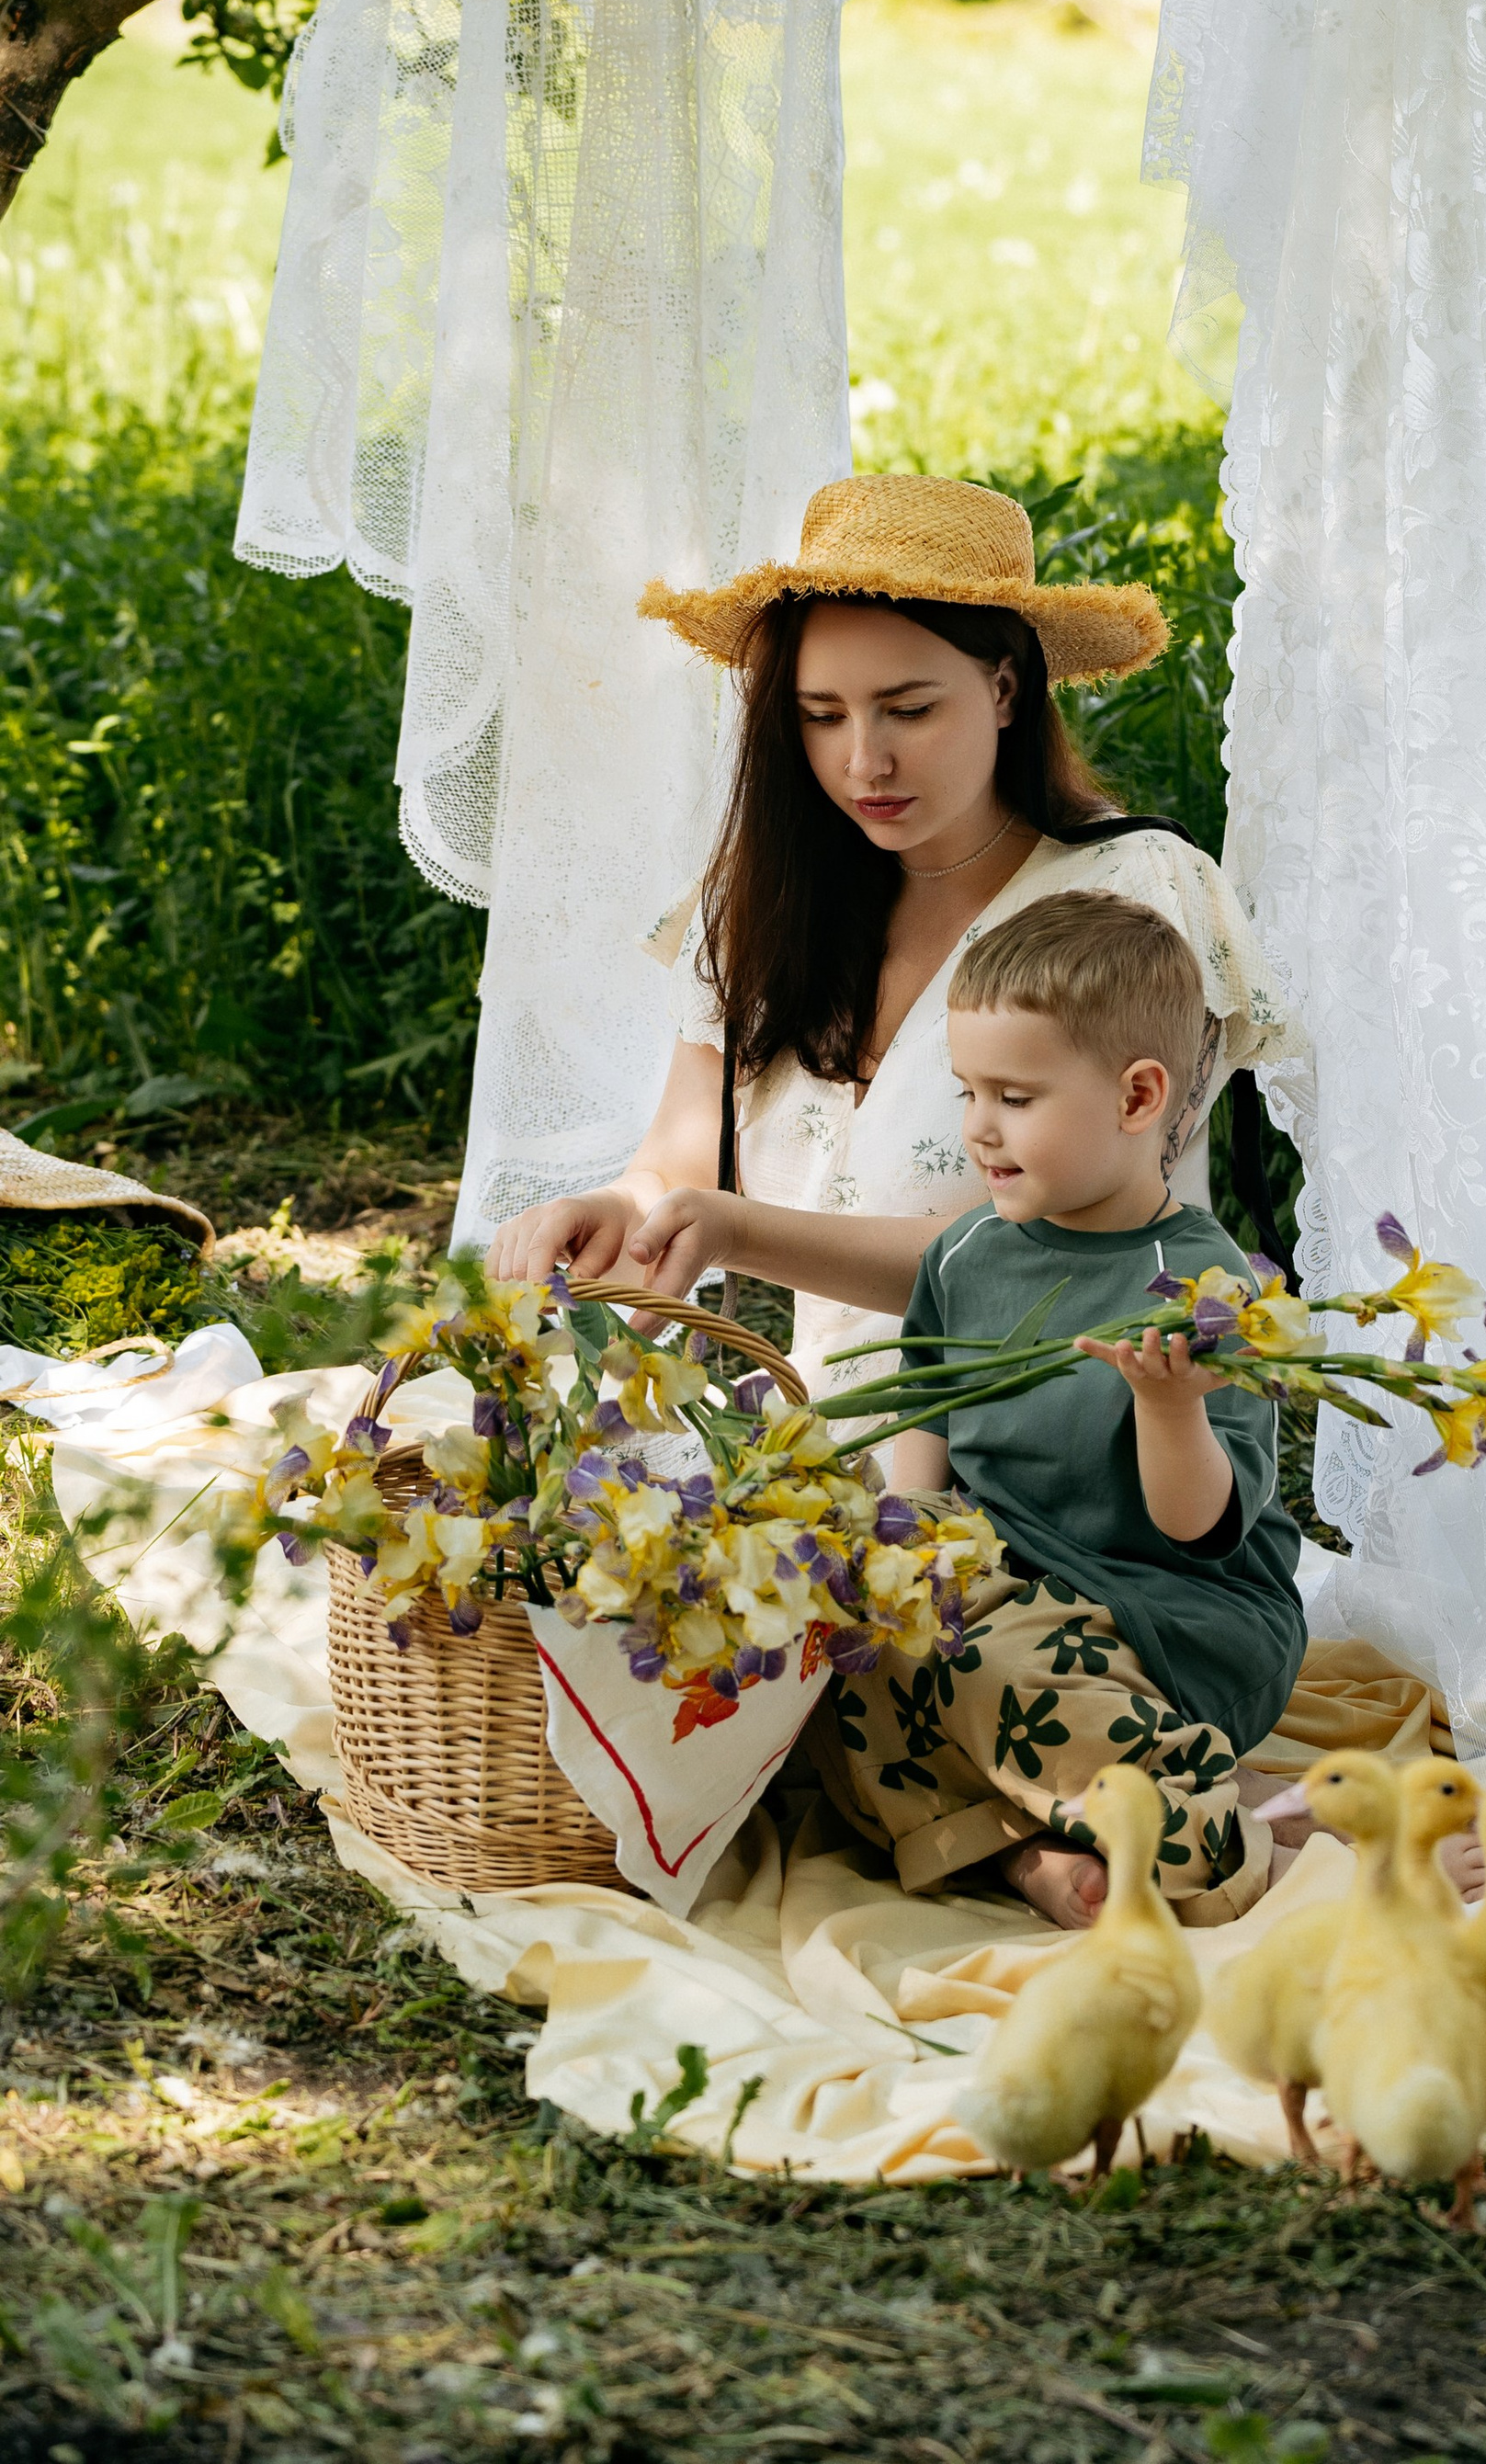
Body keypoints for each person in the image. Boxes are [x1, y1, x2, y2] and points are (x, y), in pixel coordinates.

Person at [485, 471, 1293, 1409]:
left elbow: (1069, 1255)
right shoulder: (764, 901)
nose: (863, 760)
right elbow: (681, 1158)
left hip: (1094, 1453)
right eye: (820, 716)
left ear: (1003, 690)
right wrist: (618, 1211)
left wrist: (738, 1230)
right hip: (843, 1463)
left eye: (908, 709)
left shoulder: (1135, 894)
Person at [800, 887, 1307, 1929]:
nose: (979, 1131)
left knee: (994, 1669)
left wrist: (1171, 1412)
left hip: (1166, 1618)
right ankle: (1030, 1851)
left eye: (1015, 1098)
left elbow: (1202, 1531)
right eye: (967, 1093)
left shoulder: (1201, 1287)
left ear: (1136, 1098)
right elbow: (932, 1406)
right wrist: (907, 1542)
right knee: (846, 1664)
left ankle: (1239, 1841)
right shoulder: (969, 1249)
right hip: (1008, 1596)